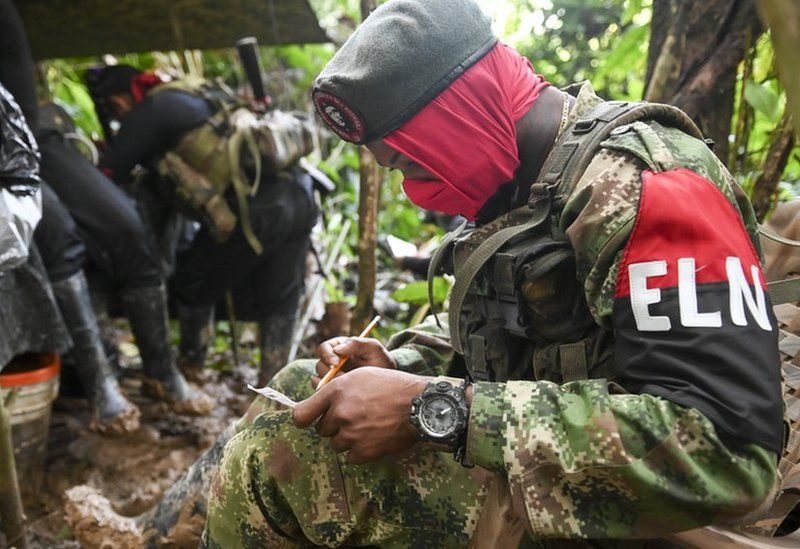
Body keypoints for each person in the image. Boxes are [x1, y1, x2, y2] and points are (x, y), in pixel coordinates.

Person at [201, 0, 784, 545]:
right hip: (557, 467)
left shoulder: (642, 183)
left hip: (640, 511)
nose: (413, 188)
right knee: (300, 387)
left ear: (461, 111)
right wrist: (405, 370)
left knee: (271, 459)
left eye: (410, 160)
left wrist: (434, 407)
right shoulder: (524, 180)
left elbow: (727, 452)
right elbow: (540, 353)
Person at [0, 0, 204, 430]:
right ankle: (101, 387)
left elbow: (20, 100)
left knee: (126, 224)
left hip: (27, 134)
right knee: (56, 231)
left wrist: (22, 148)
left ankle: (161, 373)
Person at [90, 67, 318, 384]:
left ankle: (191, 370)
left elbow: (110, 172)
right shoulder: (196, 93)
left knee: (191, 282)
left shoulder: (153, 109)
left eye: (116, 111)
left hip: (260, 212)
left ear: (120, 99)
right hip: (302, 196)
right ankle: (274, 388)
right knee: (280, 297)